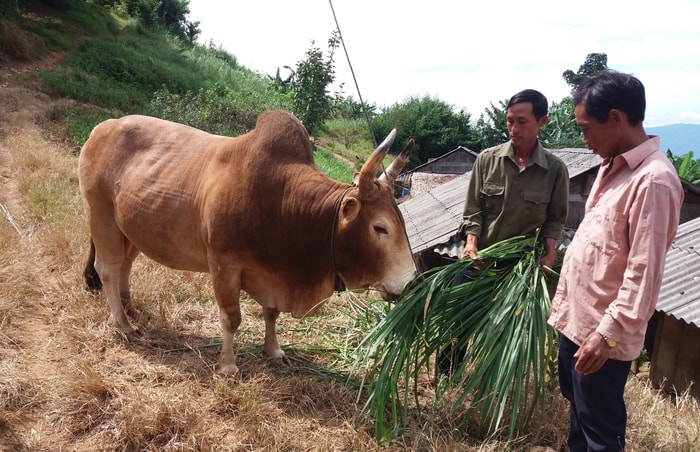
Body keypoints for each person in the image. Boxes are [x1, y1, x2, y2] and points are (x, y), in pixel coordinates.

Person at [548, 70, 683, 451]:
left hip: (601, 335)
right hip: (578, 324)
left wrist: (605, 336)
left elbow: (643, 273)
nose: (583, 138)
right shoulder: (612, 167)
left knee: (600, 433)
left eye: (586, 128)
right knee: (580, 415)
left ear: (617, 118)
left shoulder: (653, 180)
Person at [436, 88, 570, 377]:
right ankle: (446, 375)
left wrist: (548, 254)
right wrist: (471, 243)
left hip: (520, 268)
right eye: (509, 121)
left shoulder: (555, 171)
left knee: (506, 330)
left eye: (522, 121)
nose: (513, 128)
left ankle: (491, 381)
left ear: (542, 121)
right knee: (456, 315)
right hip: (480, 259)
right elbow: (473, 211)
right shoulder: (487, 160)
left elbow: (555, 219)